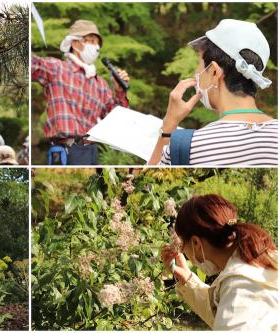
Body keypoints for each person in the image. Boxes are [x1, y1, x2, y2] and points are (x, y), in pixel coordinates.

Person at [149, 19, 277, 165]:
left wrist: (169, 125)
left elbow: (147, 179)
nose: (197, 74)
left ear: (214, 71)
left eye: (199, 67)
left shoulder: (187, 148)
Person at [161, 194, 277, 330]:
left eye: (182, 247)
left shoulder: (238, 287)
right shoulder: (260, 258)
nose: (184, 253)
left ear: (196, 243)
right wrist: (186, 278)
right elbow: (219, 309)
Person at [32, 19, 130, 165]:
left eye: (97, 43)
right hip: (66, 149)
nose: (95, 47)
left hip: (92, 150)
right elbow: (30, 64)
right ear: (75, 43)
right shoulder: (56, 68)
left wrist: (120, 91)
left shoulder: (100, 84)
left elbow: (117, 119)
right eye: (90, 40)